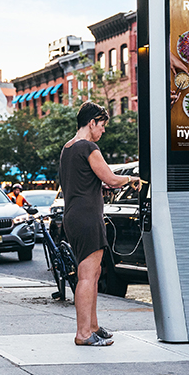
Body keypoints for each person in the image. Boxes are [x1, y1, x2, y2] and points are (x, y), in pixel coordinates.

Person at [59, 101, 140, 347]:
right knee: (87, 276)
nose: (103, 131)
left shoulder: (68, 147)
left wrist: (100, 186)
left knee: (93, 274)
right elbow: (111, 179)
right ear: (91, 122)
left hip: (74, 214)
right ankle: (84, 333)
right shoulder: (88, 147)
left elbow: (83, 180)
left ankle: (93, 326)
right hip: (87, 216)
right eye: (102, 125)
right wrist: (131, 178)